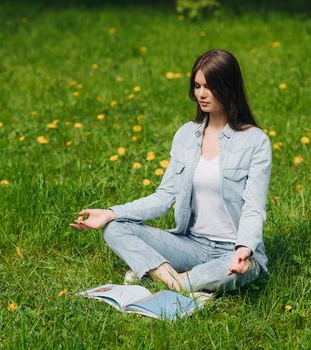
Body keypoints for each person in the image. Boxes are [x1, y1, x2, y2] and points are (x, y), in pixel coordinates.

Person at [70, 49, 272, 294]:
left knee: (230, 272)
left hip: (233, 252)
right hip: (192, 245)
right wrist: (111, 213)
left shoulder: (255, 141)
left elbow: (253, 207)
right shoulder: (186, 135)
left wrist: (244, 250)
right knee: (115, 228)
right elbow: (164, 197)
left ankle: (161, 276)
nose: (201, 94)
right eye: (197, 86)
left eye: (209, 86)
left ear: (229, 87)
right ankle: (181, 283)